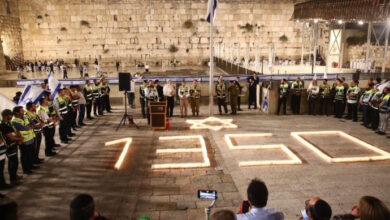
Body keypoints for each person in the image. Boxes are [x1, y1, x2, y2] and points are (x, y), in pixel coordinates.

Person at [11, 106, 37, 175]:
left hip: (31, 138)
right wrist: (29, 126)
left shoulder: (25, 116)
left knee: (31, 154)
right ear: (17, 113)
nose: (23, 111)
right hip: (24, 141)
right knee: (25, 156)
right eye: (22, 110)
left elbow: (33, 123)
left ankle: (30, 166)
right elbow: (24, 128)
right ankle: (26, 169)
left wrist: (30, 126)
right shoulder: (15, 121)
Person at [0, 110, 22, 186]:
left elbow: (14, 132)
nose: (12, 116)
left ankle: (14, 176)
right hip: (9, 146)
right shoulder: (3, 125)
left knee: (15, 162)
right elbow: (10, 137)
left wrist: (19, 138)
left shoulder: (8, 123)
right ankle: (13, 179)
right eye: (10, 115)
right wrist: (19, 139)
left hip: (13, 145)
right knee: (13, 163)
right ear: (6, 116)